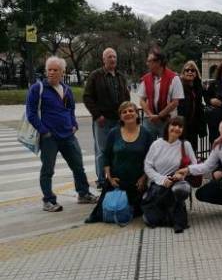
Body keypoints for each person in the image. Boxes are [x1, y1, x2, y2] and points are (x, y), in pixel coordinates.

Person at [26, 56, 97, 212]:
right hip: (50, 138)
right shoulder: (37, 89)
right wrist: (44, 131)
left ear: (62, 72)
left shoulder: (66, 89)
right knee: (48, 170)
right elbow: (31, 114)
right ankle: (48, 200)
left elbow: (71, 109)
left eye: (55, 70)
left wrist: (74, 123)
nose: (51, 73)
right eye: (49, 69)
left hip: (68, 135)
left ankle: (83, 194)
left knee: (78, 166)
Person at [85, 101, 154, 223]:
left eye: (131, 111)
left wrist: (144, 178)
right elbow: (106, 156)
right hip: (117, 182)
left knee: (134, 213)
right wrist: (110, 178)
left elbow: (151, 159)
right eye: (124, 112)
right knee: (104, 214)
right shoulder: (114, 133)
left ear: (137, 114)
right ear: (120, 116)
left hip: (137, 183)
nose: (128, 114)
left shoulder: (146, 134)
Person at [83, 47, 130, 189]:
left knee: (118, 149)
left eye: (114, 57)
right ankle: (102, 180)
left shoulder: (120, 76)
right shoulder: (95, 76)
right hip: (102, 121)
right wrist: (97, 115)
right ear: (103, 59)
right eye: (109, 57)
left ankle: (114, 176)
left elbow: (126, 97)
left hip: (118, 120)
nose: (112, 59)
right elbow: (87, 97)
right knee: (102, 151)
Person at [143, 116, 196, 233]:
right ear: (167, 126)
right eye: (174, 125)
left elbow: (195, 165)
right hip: (158, 183)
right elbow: (147, 166)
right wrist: (161, 179)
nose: (176, 128)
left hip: (177, 182)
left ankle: (176, 221)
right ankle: (173, 218)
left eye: (180, 126)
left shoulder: (185, 145)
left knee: (178, 190)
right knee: (152, 219)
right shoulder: (156, 144)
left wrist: (182, 174)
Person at [138, 48, 184, 139]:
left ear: (158, 62)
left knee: (167, 148)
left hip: (168, 120)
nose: (147, 64)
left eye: (149, 61)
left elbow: (175, 102)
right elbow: (141, 100)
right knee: (149, 148)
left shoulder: (174, 78)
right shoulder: (146, 79)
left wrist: (159, 116)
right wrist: (151, 115)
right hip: (150, 121)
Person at [177, 61, 207, 152]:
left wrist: (202, 126)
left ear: (196, 73)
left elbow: (200, 105)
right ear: (183, 72)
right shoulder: (178, 85)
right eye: (187, 70)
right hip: (181, 123)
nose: (190, 72)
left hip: (194, 124)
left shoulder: (198, 87)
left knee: (192, 150)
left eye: (193, 70)